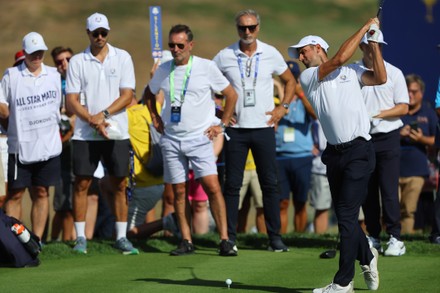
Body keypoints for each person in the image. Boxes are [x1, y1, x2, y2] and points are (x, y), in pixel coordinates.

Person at [288, 17, 386, 292]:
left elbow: (380, 77)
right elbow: (341, 56)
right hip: (334, 154)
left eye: (303, 51)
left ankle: (343, 283)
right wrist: (366, 25)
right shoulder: (308, 76)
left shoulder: (352, 73)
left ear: (318, 47)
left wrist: (374, 43)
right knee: (345, 216)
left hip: (359, 150)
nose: (300, 56)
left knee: (345, 215)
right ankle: (367, 254)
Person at [143, 24, 238, 256]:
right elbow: (148, 93)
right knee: (178, 191)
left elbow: (231, 94)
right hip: (172, 140)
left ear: (190, 45)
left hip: (200, 137)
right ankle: (186, 240)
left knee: (212, 187)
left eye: (180, 45)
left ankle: (225, 239)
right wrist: (155, 116)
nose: (176, 49)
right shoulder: (164, 69)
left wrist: (221, 125)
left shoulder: (206, 67)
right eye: (172, 45)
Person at [213, 9, 295, 252]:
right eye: (242, 28)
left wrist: (283, 108)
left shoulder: (270, 53)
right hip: (236, 130)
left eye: (251, 27)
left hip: (264, 127)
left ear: (258, 27)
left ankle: (275, 238)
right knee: (232, 186)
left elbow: (290, 81)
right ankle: (229, 239)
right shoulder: (224, 55)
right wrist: (220, 112)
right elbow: (208, 85)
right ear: (237, 28)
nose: (247, 32)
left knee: (270, 184)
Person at [65, 12, 138, 255]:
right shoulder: (77, 61)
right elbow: (72, 100)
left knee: (119, 183)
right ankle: (80, 238)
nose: (99, 37)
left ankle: (120, 237)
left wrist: (103, 116)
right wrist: (93, 121)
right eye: (95, 33)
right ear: (88, 33)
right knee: (82, 183)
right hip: (86, 134)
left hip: (116, 132)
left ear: (108, 32)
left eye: (103, 33)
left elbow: (127, 95)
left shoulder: (123, 57)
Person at [0, 32, 62, 241]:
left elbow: (58, 106)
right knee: (16, 193)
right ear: (25, 53)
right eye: (33, 53)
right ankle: (13, 241)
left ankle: (36, 241)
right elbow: (2, 105)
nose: (37, 57)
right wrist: (11, 123)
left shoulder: (53, 74)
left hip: (47, 145)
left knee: (42, 192)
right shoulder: (12, 75)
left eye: (40, 53)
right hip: (20, 148)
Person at [357, 32, 409, 256]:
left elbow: (403, 107)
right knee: (368, 191)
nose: (373, 49)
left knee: (388, 190)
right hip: (363, 138)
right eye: (369, 45)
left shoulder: (395, 73)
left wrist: (377, 115)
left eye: (377, 46)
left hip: (388, 137)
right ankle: (374, 236)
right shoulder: (353, 72)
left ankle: (395, 237)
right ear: (361, 47)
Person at [276, 60, 316, 233]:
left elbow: (315, 115)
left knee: (300, 202)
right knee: (282, 202)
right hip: (280, 156)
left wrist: (300, 93)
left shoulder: (304, 99)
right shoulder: (276, 98)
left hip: (302, 157)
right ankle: (282, 237)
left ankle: (300, 237)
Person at [399, 74, 437, 235]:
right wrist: (398, 134)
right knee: (389, 209)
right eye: (407, 91)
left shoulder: (429, 114)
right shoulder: (398, 110)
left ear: (421, 93)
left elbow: (437, 140)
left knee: (408, 209)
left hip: (417, 170)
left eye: (414, 91)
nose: (410, 95)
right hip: (393, 168)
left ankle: (405, 242)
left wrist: (421, 138)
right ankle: (386, 240)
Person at [50, 46, 76, 241]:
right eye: (59, 61)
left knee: (79, 200)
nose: (64, 64)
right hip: (62, 146)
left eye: (67, 59)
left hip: (82, 145)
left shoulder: (82, 80)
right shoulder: (53, 84)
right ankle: (52, 242)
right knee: (63, 205)